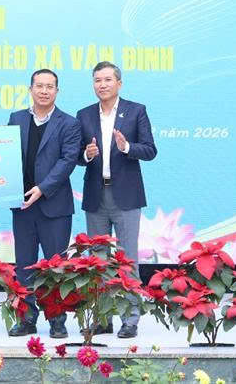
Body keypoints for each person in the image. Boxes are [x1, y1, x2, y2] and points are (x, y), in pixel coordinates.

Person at [76, 61, 157, 339]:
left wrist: (127, 147)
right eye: (97, 80)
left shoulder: (136, 111)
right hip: (96, 195)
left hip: (126, 196)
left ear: (119, 83)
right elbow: (76, 156)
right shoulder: (84, 114)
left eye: (108, 79)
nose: (102, 85)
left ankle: (130, 319)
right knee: (98, 261)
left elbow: (150, 150)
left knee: (127, 259)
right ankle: (102, 318)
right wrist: (86, 154)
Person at [6, 69, 81, 339]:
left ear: (57, 91)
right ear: (31, 89)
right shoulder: (16, 119)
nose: (44, 91)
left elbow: (68, 161)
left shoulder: (69, 123)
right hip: (23, 205)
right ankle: (26, 318)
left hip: (54, 206)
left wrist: (42, 188)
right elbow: (5, 155)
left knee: (55, 266)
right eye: (39, 86)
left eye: (50, 86)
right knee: (24, 265)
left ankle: (57, 319)